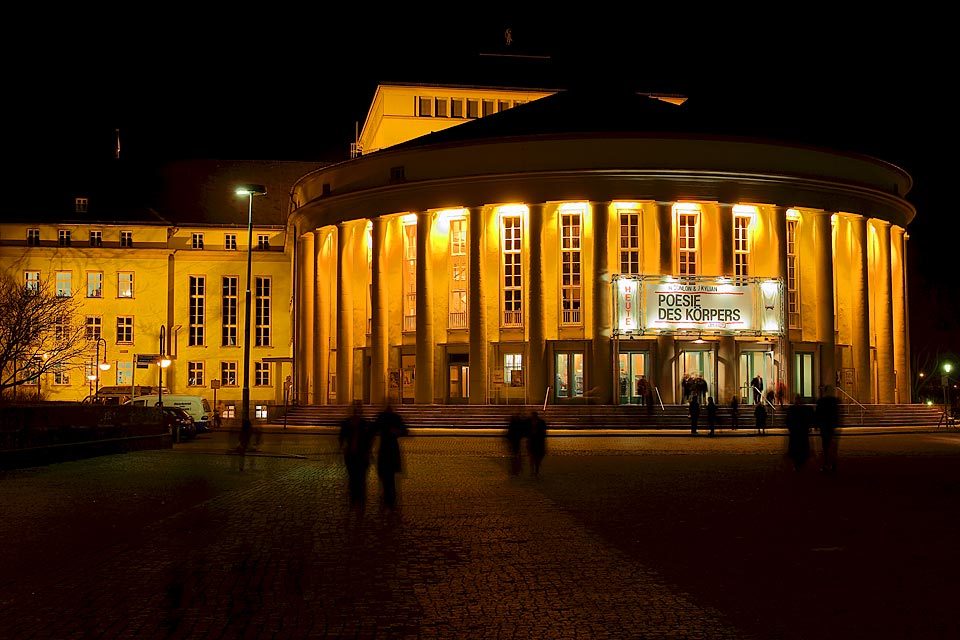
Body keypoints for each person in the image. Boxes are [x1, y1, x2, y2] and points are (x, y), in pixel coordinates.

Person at [374, 400, 409, 509]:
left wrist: (396, 432)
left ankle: (389, 498)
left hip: (390, 450)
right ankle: (388, 498)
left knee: (389, 477)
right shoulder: (384, 418)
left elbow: (404, 431)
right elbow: (373, 430)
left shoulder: (393, 418)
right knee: (387, 476)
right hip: (387, 449)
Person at [339, 400, 373, 508]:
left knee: (361, 477)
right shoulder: (346, 423)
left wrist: (368, 451)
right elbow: (341, 437)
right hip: (351, 455)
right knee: (353, 477)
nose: (356, 411)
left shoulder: (365, 423)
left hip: (362, 455)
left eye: (358, 409)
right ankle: (354, 497)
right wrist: (343, 447)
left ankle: (360, 498)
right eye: (354, 409)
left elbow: (369, 438)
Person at [815, 387, 841, 472]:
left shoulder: (821, 402)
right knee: (831, 446)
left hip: (824, 426)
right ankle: (832, 464)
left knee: (825, 446)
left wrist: (816, 424)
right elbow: (836, 414)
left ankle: (826, 463)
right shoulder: (834, 402)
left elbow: (817, 414)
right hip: (830, 426)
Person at [785, 396, 811, 471]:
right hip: (800, 432)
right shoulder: (804, 409)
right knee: (800, 448)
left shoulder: (792, 409)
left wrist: (790, 428)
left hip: (796, 432)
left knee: (796, 448)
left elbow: (788, 420)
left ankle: (797, 463)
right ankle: (800, 463)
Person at [505, 410, 527, 475]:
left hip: (515, 439)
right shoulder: (516, 424)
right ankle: (517, 466)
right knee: (516, 452)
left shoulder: (514, 424)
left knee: (515, 452)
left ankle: (516, 466)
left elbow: (510, 432)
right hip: (515, 439)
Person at [526, 410, 547, 476]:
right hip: (532, 441)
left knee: (537, 457)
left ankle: (536, 469)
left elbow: (543, 432)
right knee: (532, 456)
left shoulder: (541, 422)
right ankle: (533, 469)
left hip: (538, 441)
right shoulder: (529, 422)